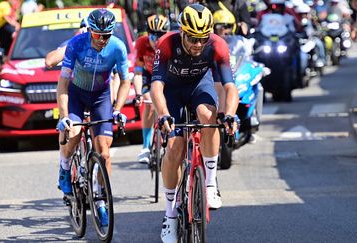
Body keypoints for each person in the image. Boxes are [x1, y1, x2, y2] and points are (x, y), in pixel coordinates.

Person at [150, 4, 239, 243]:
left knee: (209, 116)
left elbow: (230, 87)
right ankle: (169, 215)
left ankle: (210, 183)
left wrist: (229, 114)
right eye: (192, 38)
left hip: (200, 85)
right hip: (173, 91)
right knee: (175, 148)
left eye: (202, 39)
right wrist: (163, 114)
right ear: (181, 32)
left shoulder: (218, 45)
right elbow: (156, 86)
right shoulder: (166, 44)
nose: (198, 45)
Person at [56, 8, 131, 226]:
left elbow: (125, 80)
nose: (103, 40)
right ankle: (64, 166)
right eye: (99, 35)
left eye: (107, 35)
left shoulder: (117, 47)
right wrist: (63, 115)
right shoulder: (77, 44)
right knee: (74, 132)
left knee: (104, 153)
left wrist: (118, 109)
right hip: (77, 94)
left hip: (101, 97)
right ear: (90, 31)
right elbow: (62, 83)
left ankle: (100, 200)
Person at [134, 14, 170, 163]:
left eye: (160, 35)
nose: (156, 40)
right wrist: (137, 94)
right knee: (149, 102)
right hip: (149, 77)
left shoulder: (171, 43)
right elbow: (137, 72)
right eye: (152, 36)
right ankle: (146, 146)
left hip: (168, 77)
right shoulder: (142, 43)